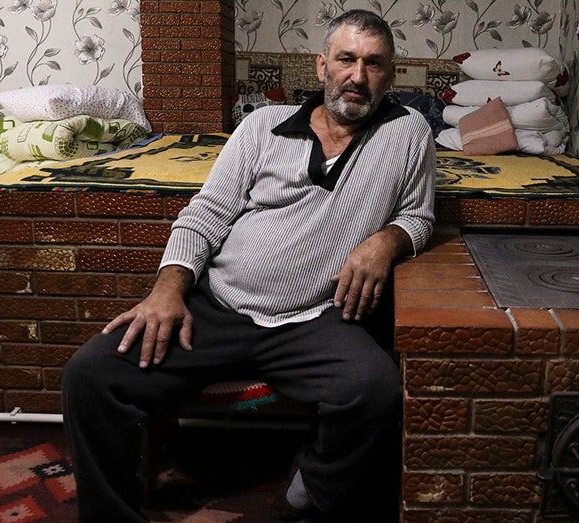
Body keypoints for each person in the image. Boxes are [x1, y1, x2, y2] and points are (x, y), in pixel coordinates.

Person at [61, 9, 435, 522]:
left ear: (389, 76)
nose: (357, 75)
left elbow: (418, 216)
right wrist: (169, 289)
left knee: (375, 392)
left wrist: (386, 242)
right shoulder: (262, 125)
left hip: (316, 320)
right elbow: (206, 214)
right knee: (90, 375)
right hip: (217, 307)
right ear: (322, 65)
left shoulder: (409, 132)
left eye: (374, 64)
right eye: (346, 60)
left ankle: (307, 492)